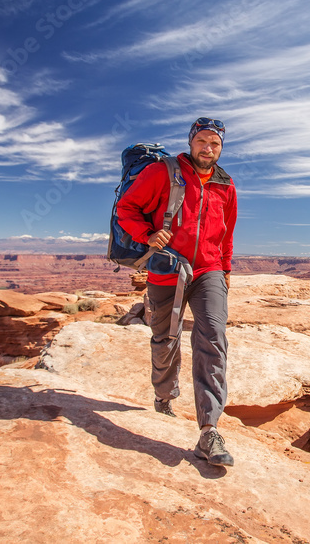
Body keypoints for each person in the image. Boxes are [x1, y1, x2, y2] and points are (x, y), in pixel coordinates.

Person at [116, 117, 237, 467]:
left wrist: (225, 271)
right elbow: (127, 209)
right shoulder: (163, 172)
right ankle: (163, 396)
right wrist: (147, 236)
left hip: (207, 271)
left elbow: (226, 234)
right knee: (165, 338)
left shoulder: (226, 185)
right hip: (168, 268)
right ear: (190, 142)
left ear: (221, 147)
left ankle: (209, 430)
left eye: (214, 143)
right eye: (202, 141)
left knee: (212, 338)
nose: (208, 148)